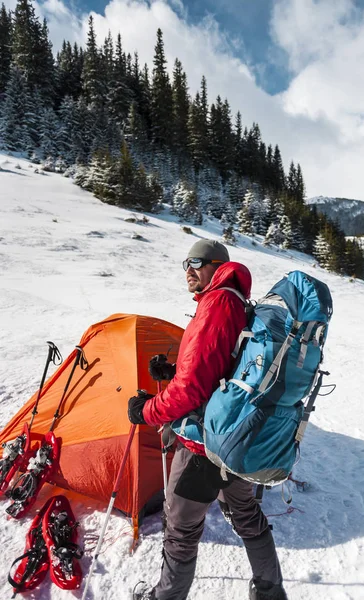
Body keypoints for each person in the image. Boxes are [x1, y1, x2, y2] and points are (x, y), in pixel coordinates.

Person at [128, 239, 288, 600]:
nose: (188, 269)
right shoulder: (232, 301)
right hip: (235, 434)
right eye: (185, 262)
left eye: (196, 262)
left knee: (180, 529)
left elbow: (191, 393)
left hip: (203, 443)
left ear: (217, 266)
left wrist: (147, 410)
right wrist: (172, 371)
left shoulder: (218, 303)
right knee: (246, 512)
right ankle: (270, 591)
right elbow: (223, 368)